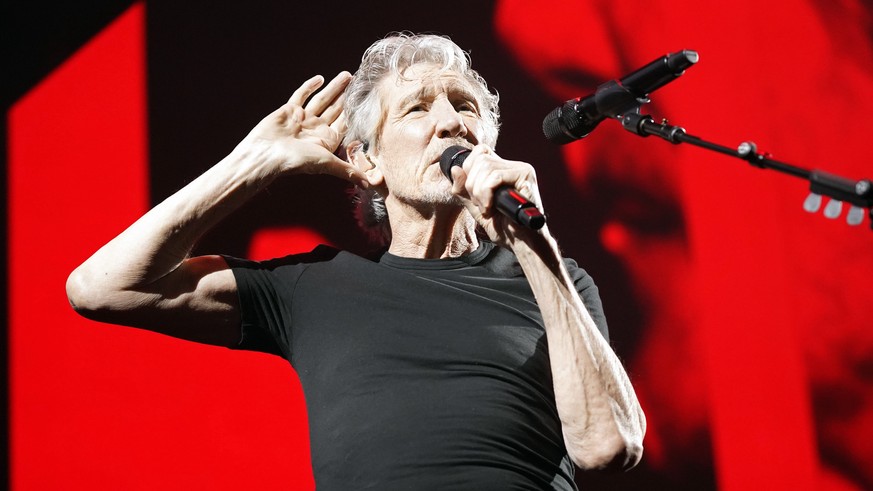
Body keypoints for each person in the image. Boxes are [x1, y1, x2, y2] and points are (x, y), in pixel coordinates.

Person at [65, 33, 645, 489]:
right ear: (368, 162)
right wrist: (253, 164)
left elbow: (608, 445)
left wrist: (533, 246)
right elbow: (100, 287)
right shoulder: (313, 286)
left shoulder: (553, 282)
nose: (450, 122)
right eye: (417, 109)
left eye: (464, 106)